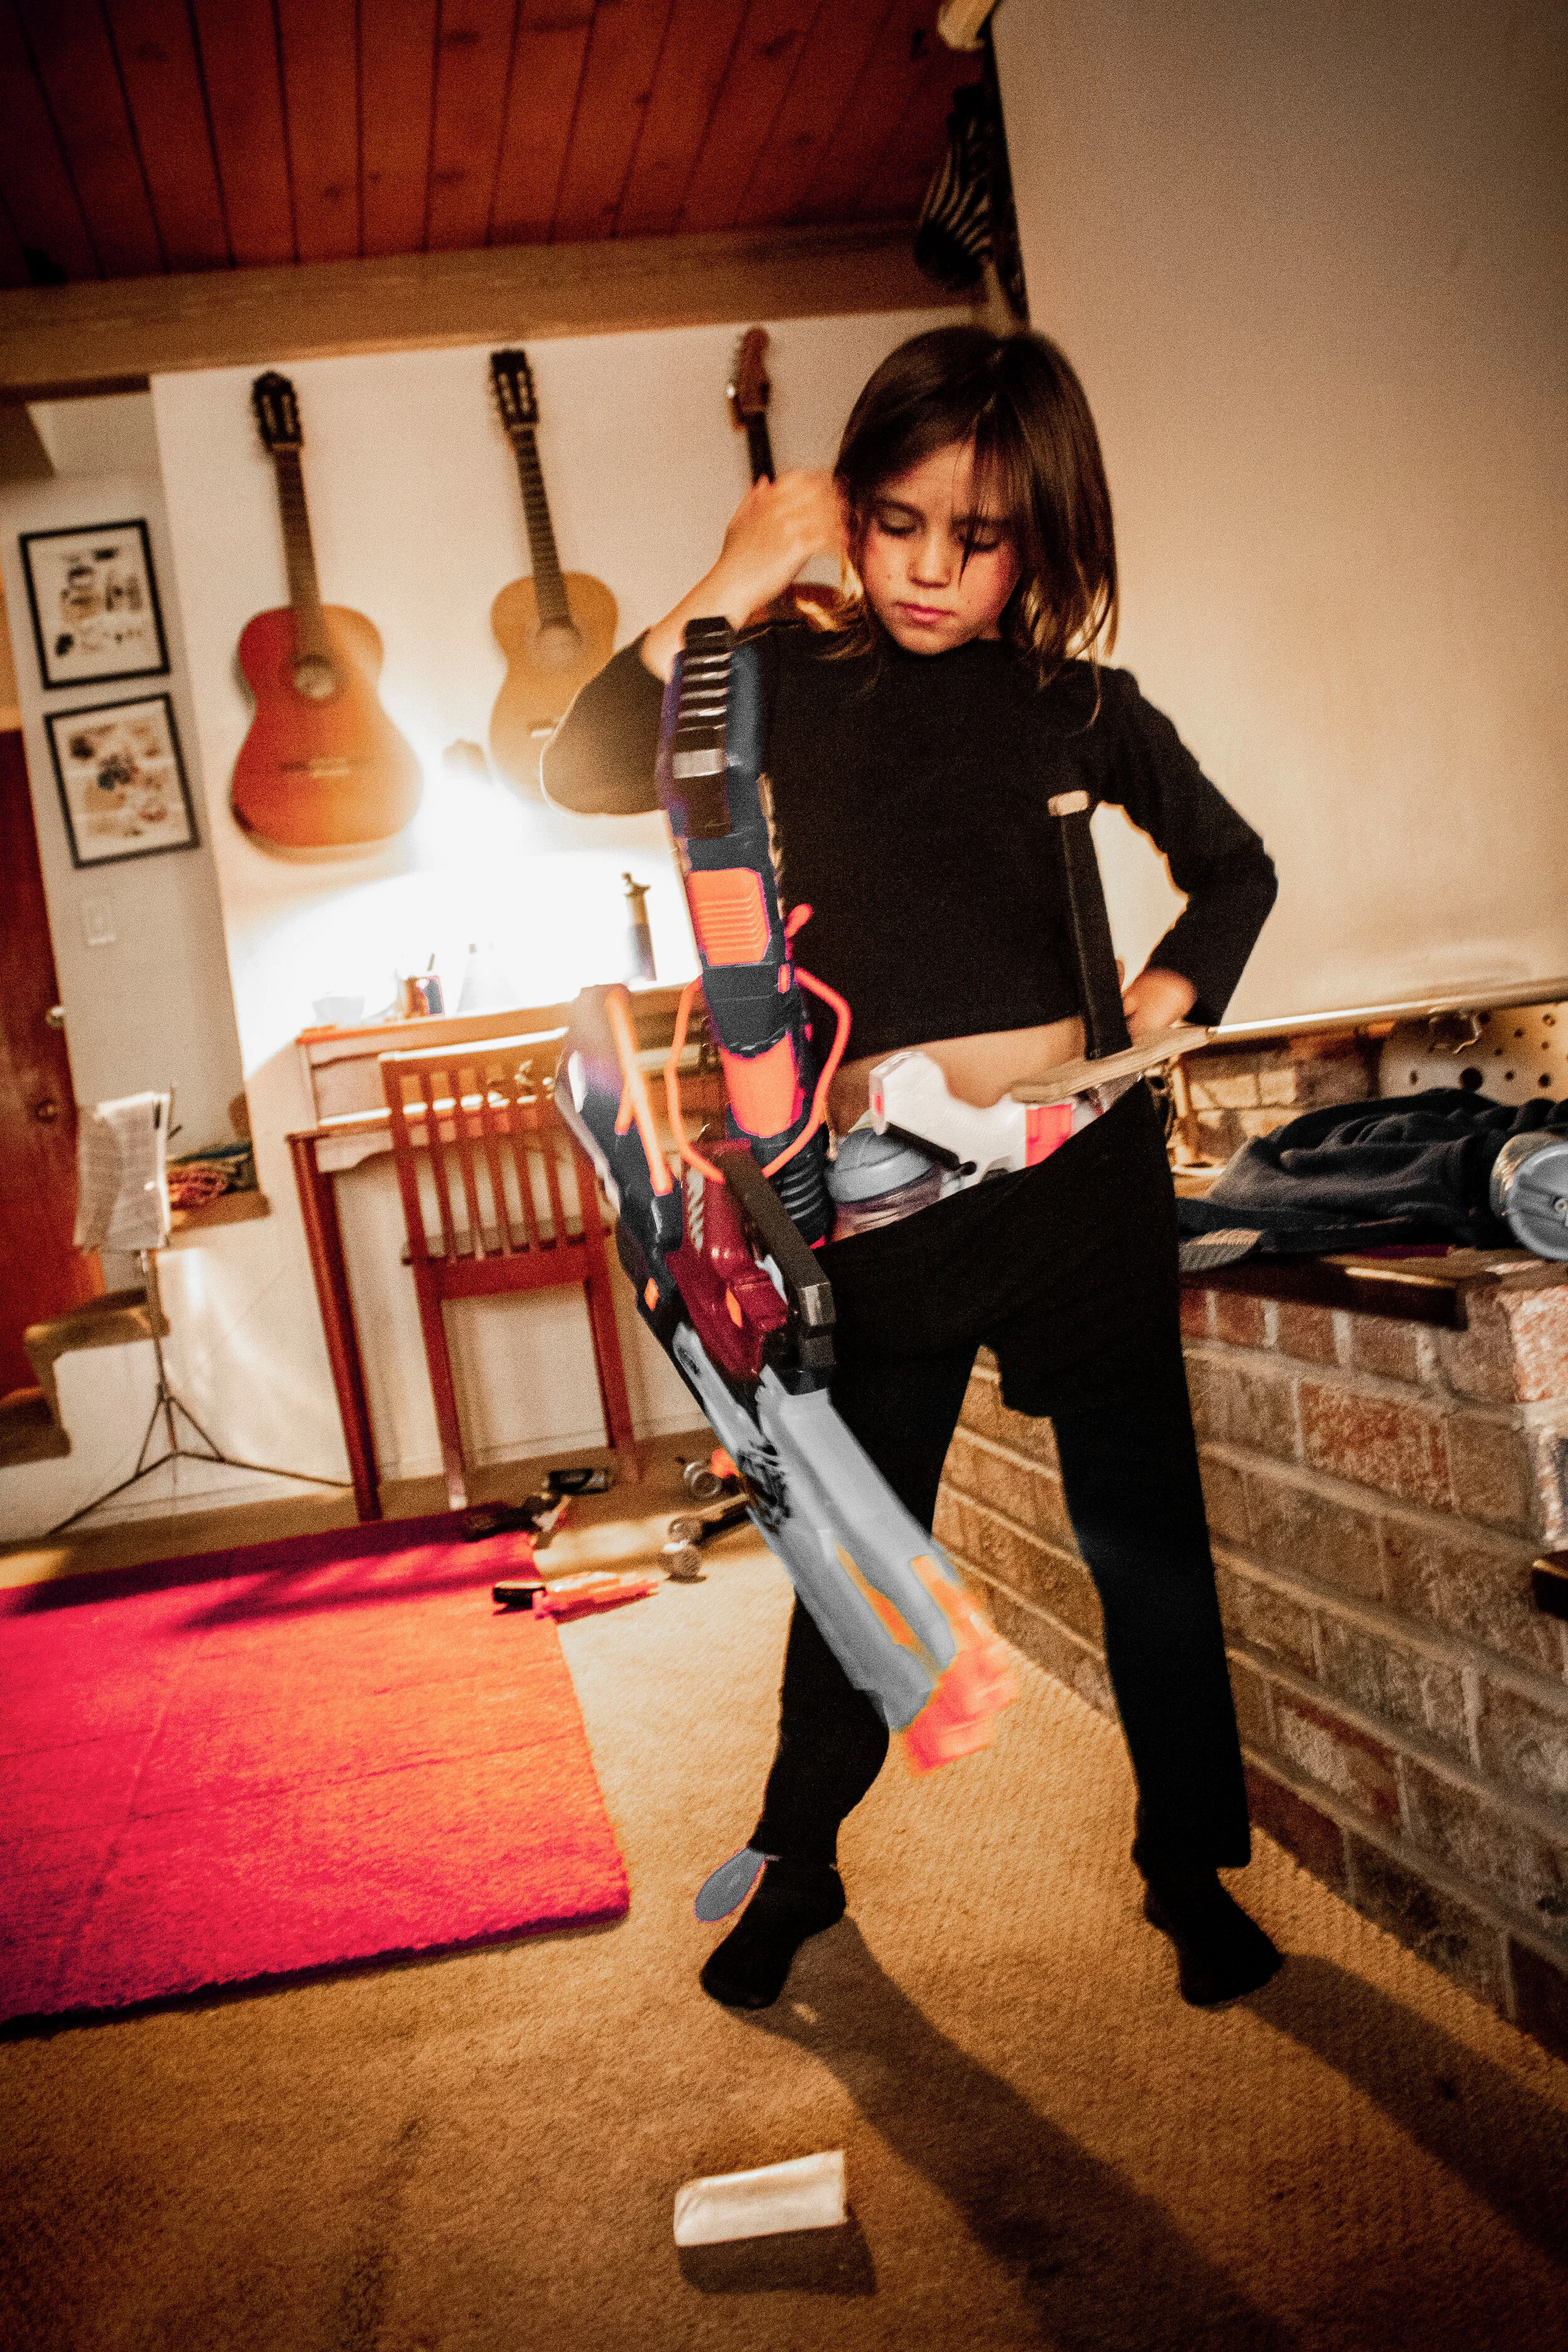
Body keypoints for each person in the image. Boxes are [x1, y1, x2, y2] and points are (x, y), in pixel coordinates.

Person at [544, 324, 1281, 2016]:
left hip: (1080, 1186)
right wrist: (733, 574)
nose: (931, 568)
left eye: (980, 533)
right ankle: (799, 1858)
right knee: (855, 1546)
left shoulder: (1075, 705)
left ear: (1044, 535)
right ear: (848, 510)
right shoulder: (786, 682)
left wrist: (1167, 999)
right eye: (895, 523)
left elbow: (1232, 868)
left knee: (1142, 1538)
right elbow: (585, 763)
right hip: (878, 1204)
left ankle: (1188, 1871)